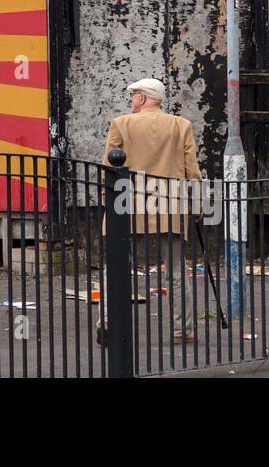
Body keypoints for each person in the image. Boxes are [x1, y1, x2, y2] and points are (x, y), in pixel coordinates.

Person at [97, 77, 202, 345]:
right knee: (176, 271)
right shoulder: (181, 126)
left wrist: (105, 199)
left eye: (133, 96)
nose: (131, 101)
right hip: (169, 203)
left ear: (142, 98)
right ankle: (183, 329)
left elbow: (109, 167)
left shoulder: (120, 124)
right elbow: (192, 170)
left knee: (118, 266)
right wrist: (198, 204)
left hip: (128, 203)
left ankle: (109, 320)